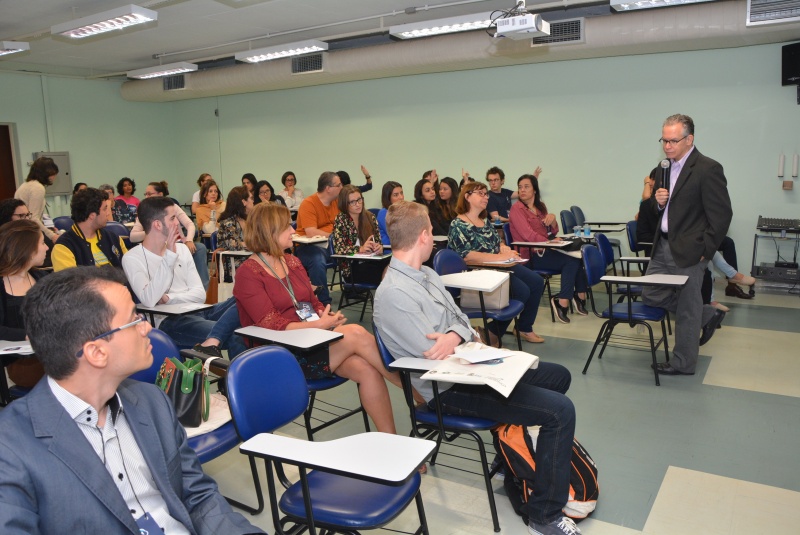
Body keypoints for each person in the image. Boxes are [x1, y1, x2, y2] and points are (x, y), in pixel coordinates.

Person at [0, 266, 264, 534]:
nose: (147, 327)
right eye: (134, 319)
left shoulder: (152, 402)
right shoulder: (11, 447)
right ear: (96, 352)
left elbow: (198, 497)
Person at [374, 201, 579, 535]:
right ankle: (544, 515)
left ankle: (513, 455)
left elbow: (462, 321)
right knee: (560, 412)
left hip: (471, 364)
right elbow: (433, 356)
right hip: (449, 388)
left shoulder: (426, 274)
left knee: (558, 376)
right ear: (424, 236)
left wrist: (456, 334)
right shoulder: (393, 293)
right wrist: (462, 337)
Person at [233, 202, 405, 434]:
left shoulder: (292, 262)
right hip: (283, 354)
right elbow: (270, 324)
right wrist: (320, 325)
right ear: (268, 232)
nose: (293, 231)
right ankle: (418, 394)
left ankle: (392, 441)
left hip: (313, 341)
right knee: (355, 333)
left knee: (366, 369)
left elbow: (312, 303)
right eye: (286, 227)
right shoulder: (248, 273)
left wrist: (327, 317)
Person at [642, 114, 732, 376]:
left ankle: (682, 363)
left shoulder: (707, 168)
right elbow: (657, 210)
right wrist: (657, 202)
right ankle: (707, 315)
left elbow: (722, 215)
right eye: (664, 140)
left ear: (689, 139)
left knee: (687, 309)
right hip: (663, 246)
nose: (667, 146)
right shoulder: (663, 168)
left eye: (673, 140)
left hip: (692, 250)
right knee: (651, 294)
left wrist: (706, 251)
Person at [122, 197, 246, 359]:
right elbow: (150, 298)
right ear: (157, 225)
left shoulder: (182, 249)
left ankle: (215, 347)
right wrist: (170, 256)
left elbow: (200, 294)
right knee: (234, 335)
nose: (178, 223)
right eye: (172, 218)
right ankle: (238, 382)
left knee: (243, 301)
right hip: (171, 322)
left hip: (199, 311)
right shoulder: (132, 258)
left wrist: (169, 298)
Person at [448, 181, 545, 345]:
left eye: (486, 194)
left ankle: (523, 327)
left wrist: (504, 249)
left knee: (536, 282)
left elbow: (496, 242)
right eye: (481, 193)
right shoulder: (458, 224)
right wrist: (499, 258)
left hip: (499, 267)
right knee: (522, 291)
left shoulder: (484, 221)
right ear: (467, 197)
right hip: (480, 272)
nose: (485, 197)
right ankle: (493, 332)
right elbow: (467, 257)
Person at [509, 174, 588, 324]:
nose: (522, 190)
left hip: (545, 249)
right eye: (520, 187)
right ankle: (563, 300)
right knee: (570, 261)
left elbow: (553, 231)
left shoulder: (540, 207)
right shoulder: (516, 209)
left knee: (578, 256)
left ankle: (576, 295)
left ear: (535, 190)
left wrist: (552, 220)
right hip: (530, 255)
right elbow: (528, 235)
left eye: (526, 187)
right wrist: (548, 242)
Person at [130, 181, 209, 289]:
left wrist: (189, 240)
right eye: (145, 194)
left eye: (149, 194)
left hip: (179, 243)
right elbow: (132, 237)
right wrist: (151, 232)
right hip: (160, 247)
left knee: (200, 248)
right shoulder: (145, 212)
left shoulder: (172, 207)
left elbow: (190, 224)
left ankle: (204, 288)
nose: (146, 196)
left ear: (160, 194)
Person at [0, 219, 49, 388]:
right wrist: (28, 334)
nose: (47, 248)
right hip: (16, 361)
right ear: (27, 249)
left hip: (46, 352)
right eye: (42, 243)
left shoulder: (41, 279)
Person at [294, 171, 343, 306]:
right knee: (317, 259)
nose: (341, 188)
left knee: (353, 251)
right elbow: (311, 232)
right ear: (328, 188)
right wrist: (335, 236)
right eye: (338, 185)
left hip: (330, 245)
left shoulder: (337, 202)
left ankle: (352, 289)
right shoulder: (309, 203)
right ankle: (323, 304)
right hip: (307, 247)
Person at [52, 187, 127, 271]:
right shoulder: (63, 247)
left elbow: (130, 270)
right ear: (92, 215)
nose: (108, 213)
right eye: (105, 209)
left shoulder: (113, 238)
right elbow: (71, 283)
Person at [332, 185, 387, 286]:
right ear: (345, 204)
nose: (358, 204)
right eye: (352, 202)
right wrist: (360, 249)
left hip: (371, 261)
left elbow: (378, 242)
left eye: (359, 199)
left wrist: (379, 248)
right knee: (384, 272)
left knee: (394, 263)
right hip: (352, 267)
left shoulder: (370, 217)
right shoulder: (341, 219)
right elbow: (339, 249)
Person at [14, 156, 61, 243]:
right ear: (47, 173)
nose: (54, 176)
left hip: (21, 231)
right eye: (53, 173)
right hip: (28, 233)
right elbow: (33, 218)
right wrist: (52, 235)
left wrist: (48, 227)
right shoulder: (38, 188)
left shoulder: (27, 184)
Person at [0, 198, 54, 268]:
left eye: (28, 215)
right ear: (7, 217)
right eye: (21, 215)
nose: (27, 219)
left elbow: (52, 251)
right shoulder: (4, 240)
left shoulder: (36, 233)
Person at [217, 185, 255, 281]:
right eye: (251, 198)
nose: (253, 201)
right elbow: (234, 245)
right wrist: (252, 244)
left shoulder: (249, 220)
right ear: (244, 202)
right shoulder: (228, 222)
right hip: (233, 265)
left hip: (249, 260)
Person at [377, 180, 404, 245]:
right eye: (396, 195)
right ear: (388, 198)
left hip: (403, 249)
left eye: (401, 193)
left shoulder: (403, 211)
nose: (401, 197)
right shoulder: (383, 213)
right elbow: (396, 236)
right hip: (389, 251)